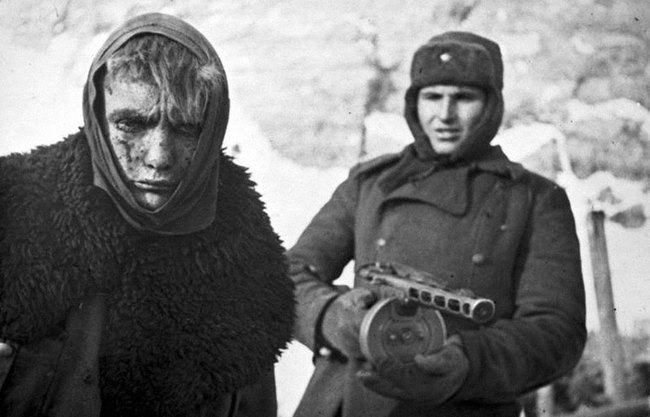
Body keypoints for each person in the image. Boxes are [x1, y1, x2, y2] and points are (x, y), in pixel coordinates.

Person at [0, 13, 294, 417]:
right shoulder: (10, 211)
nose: (158, 157)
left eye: (187, 129)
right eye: (131, 124)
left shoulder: (246, 268)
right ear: (97, 118)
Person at [288, 31, 586, 416]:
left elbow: (556, 330)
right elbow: (289, 276)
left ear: (492, 104)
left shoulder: (533, 199)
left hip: (462, 406)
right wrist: (333, 318)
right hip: (352, 400)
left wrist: (468, 362)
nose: (444, 115)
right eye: (432, 97)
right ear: (414, 104)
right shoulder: (370, 185)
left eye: (463, 98)